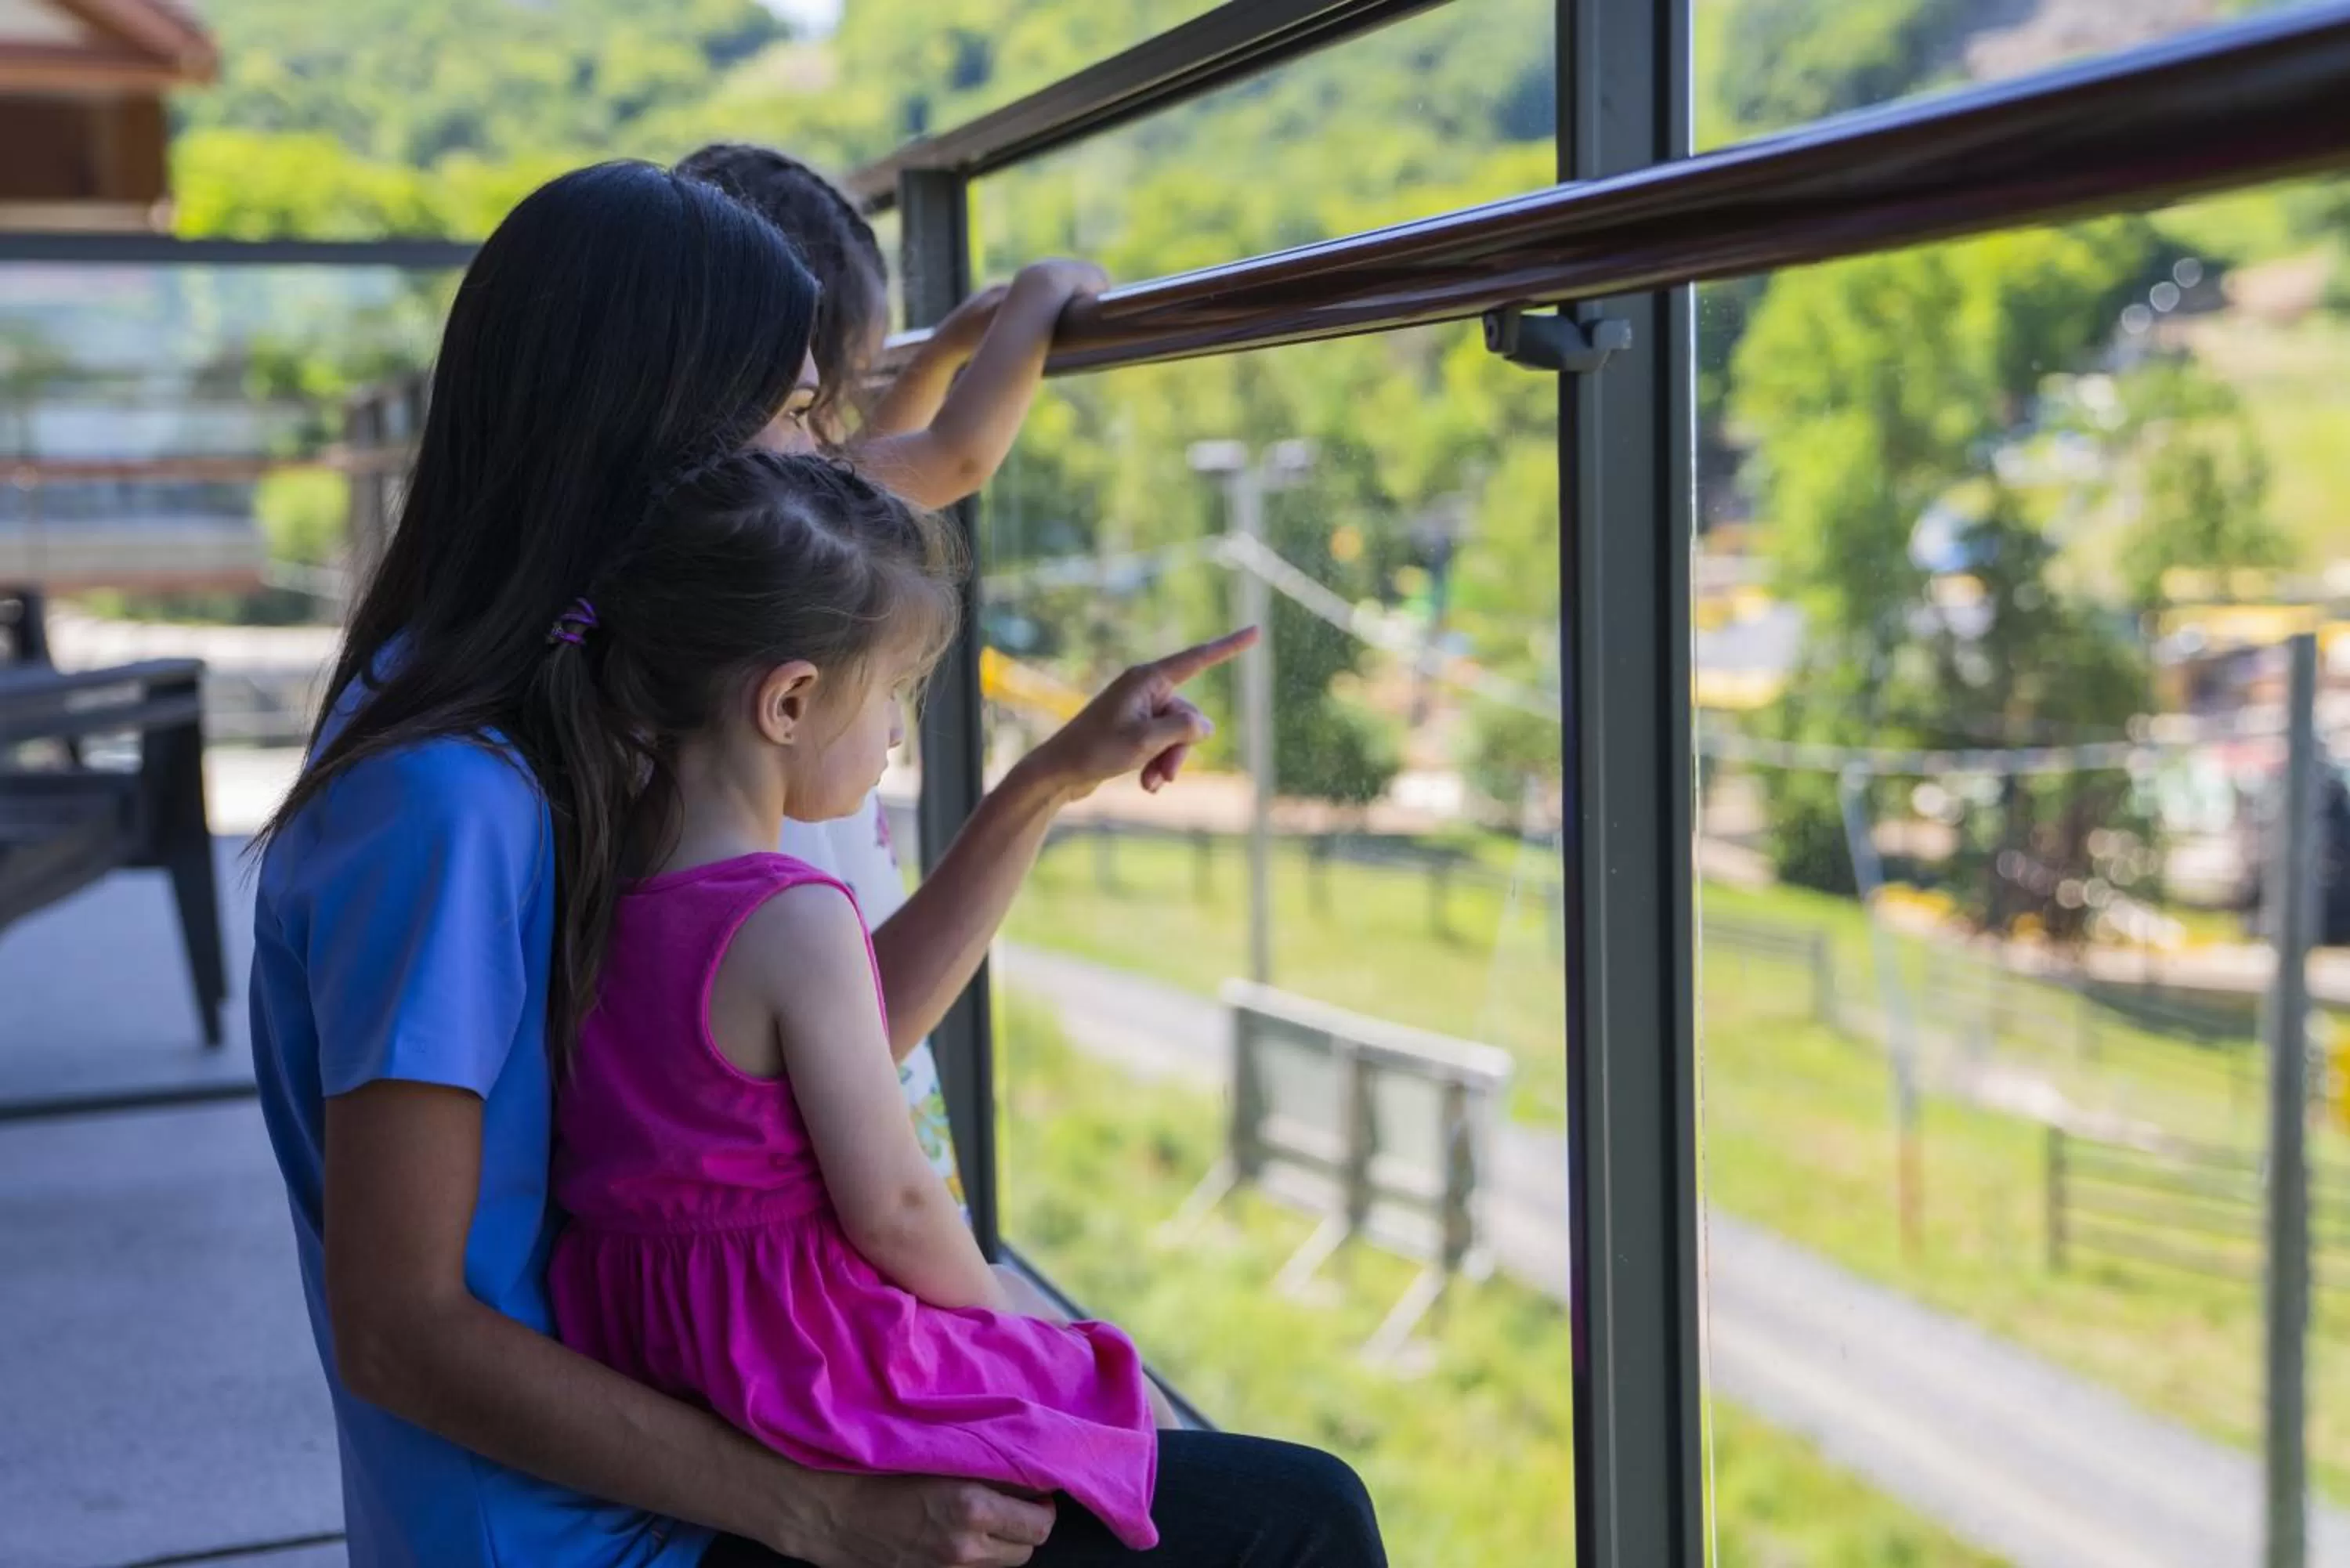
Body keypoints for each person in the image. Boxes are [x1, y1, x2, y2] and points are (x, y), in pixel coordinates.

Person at [248, 159, 1383, 1568]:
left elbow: (758, 1074)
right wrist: (828, 1512)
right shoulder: (446, 802)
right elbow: (402, 1324)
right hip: (589, 1531)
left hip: (685, 1433)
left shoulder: (576, 708)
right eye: (792, 410)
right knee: (1299, 1521)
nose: (819, 456)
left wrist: (1039, 788)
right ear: (654, 433)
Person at [540, 450, 1164, 1552]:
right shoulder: (791, 913)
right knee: (1111, 1398)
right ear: (787, 699)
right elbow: (898, 1210)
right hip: (797, 1357)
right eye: (893, 694)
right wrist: (1006, 1324)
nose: (894, 734)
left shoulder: (589, 872)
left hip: (643, 1336)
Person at [674, 142, 1112, 1222]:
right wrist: (1043, 299)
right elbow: (951, 459)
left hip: (780, 907)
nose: (830, 421)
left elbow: (880, 457)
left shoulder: (717, 526)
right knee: (860, 1121)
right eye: (829, 381)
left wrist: (951, 340)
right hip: (807, 914)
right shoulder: (778, 491)